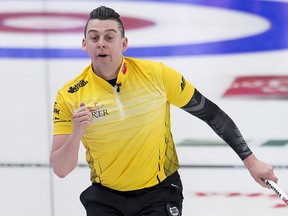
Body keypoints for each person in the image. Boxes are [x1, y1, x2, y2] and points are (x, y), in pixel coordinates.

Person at [50, 6, 278, 216]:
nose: (101, 43)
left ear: (123, 43)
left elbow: (211, 114)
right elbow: (61, 169)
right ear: (84, 44)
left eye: (109, 37)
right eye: (94, 37)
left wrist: (252, 162)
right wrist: (76, 133)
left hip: (159, 193)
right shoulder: (70, 96)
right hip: (105, 198)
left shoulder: (157, 76)